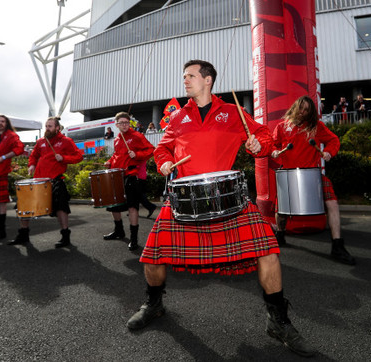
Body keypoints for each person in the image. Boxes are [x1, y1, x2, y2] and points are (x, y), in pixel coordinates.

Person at [126, 60, 314, 357]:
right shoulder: (177, 117)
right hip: (184, 199)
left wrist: (257, 145)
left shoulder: (233, 113)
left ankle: (278, 320)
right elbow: (162, 148)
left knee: (268, 252)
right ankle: (154, 304)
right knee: (153, 254)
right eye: (184, 76)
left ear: (208, 80)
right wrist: (162, 161)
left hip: (227, 198)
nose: (185, 80)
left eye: (190, 75)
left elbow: (265, 137)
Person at [271, 95, 356, 266]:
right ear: (294, 107)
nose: (302, 112)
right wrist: (274, 151)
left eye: (306, 110)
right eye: (300, 108)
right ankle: (280, 235)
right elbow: (273, 144)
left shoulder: (316, 127)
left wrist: (330, 152)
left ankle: (337, 245)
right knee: (281, 208)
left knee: (332, 203)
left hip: (313, 175)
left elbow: (333, 140)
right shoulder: (281, 127)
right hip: (288, 173)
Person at [8, 116, 83, 247]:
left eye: (50, 126)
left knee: (62, 208)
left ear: (57, 128)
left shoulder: (66, 141)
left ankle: (65, 236)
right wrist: (31, 165)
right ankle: (23, 235)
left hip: (55, 180)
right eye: (46, 126)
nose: (47, 128)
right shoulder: (41, 142)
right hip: (38, 179)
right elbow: (34, 155)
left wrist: (64, 158)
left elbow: (79, 156)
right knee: (23, 205)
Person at [103, 112, 154, 251]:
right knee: (114, 206)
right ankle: (119, 231)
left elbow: (151, 150)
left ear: (129, 123)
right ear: (116, 125)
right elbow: (116, 155)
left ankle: (134, 239)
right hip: (118, 176)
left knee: (132, 207)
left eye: (126, 122)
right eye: (121, 123)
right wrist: (109, 161)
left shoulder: (137, 136)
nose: (124, 125)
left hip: (132, 176)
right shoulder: (117, 139)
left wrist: (137, 155)